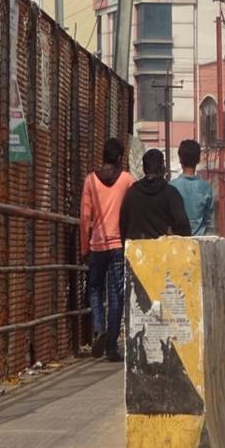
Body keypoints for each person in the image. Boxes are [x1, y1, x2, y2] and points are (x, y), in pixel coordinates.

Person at [80, 137, 134, 362]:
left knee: (94, 289)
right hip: (118, 245)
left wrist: (85, 246)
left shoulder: (90, 180)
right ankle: (112, 345)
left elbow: (85, 216)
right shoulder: (127, 181)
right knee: (116, 295)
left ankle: (99, 327)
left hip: (97, 245)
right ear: (120, 157)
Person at [120, 149, 192, 241]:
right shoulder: (171, 193)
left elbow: (123, 226)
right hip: (164, 252)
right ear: (162, 167)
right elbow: (183, 226)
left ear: (144, 169)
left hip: (137, 252)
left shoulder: (131, 193)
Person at [171, 139, 214, 236]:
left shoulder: (171, 187)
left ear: (180, 160)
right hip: (199, 242)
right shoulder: (206, 188)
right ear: (198, 160)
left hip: (177, 244)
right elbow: (208, 220)